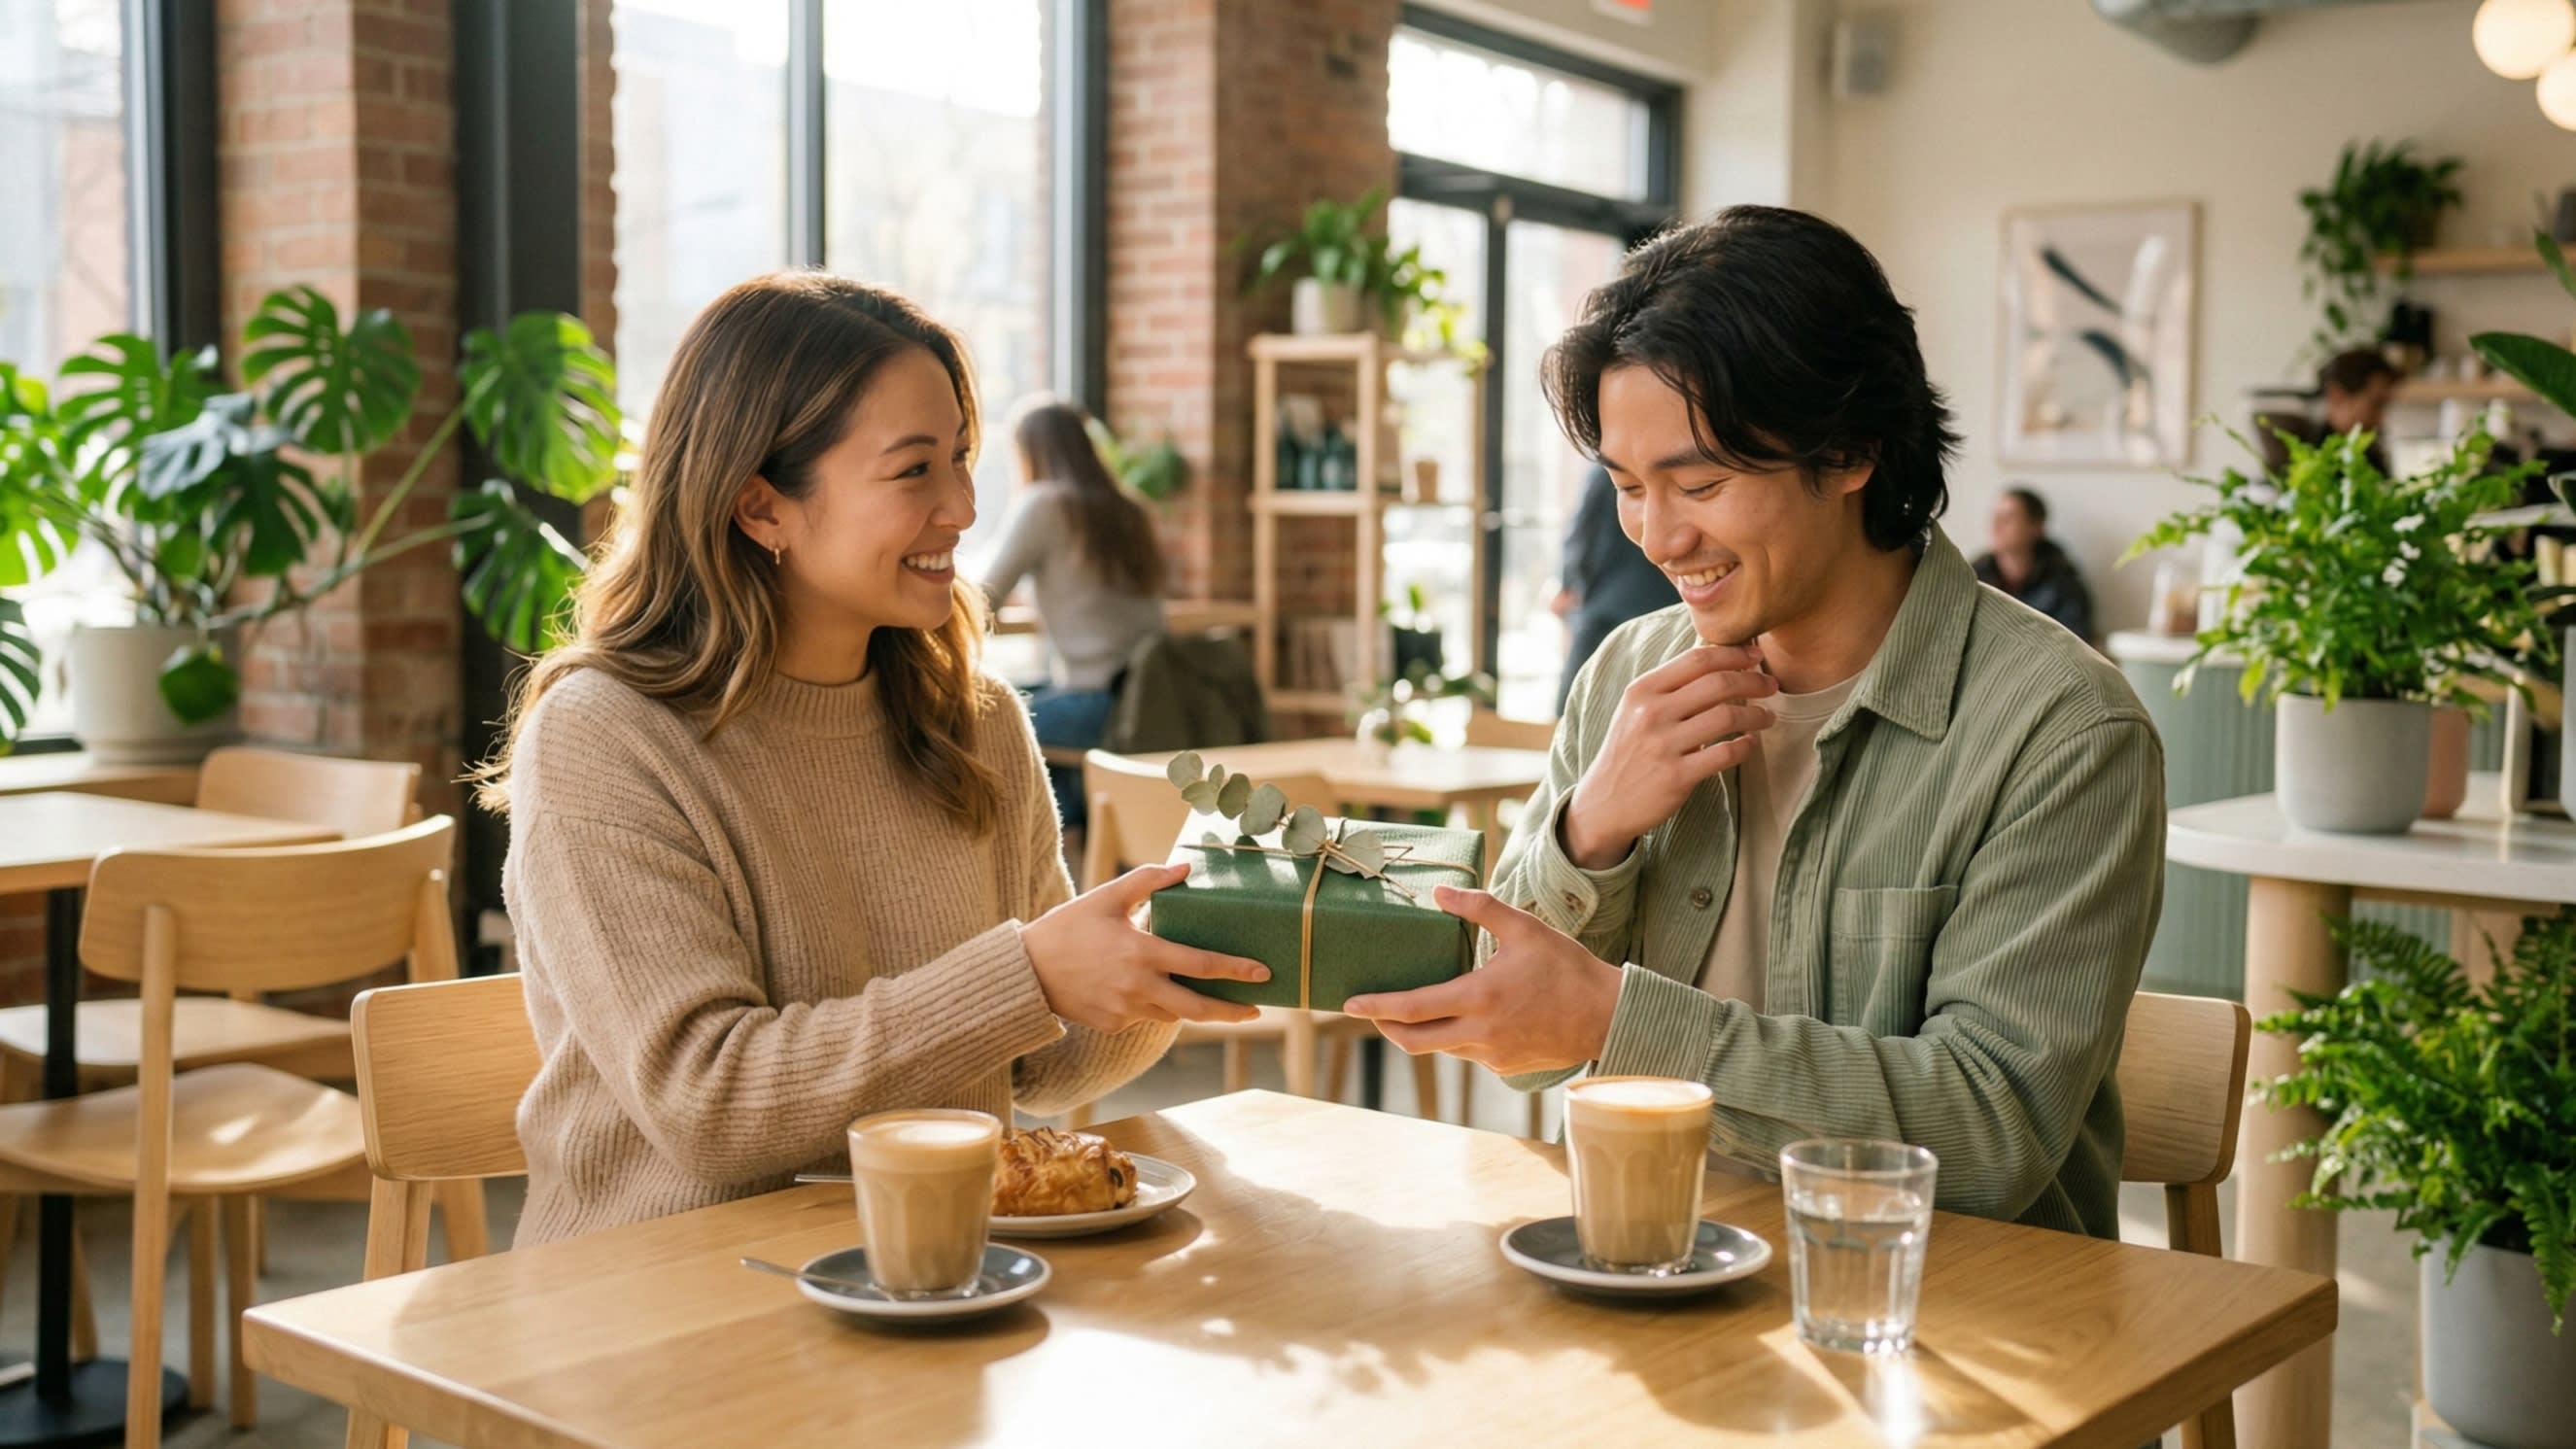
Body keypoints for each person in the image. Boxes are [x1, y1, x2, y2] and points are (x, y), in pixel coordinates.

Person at [1342, 207, 2166, 1240]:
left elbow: (1990, 1136)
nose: (1656, 534)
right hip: (1647, 1263)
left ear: (1852, 449)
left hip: (1943, 1323)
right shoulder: (1626, 675)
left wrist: (1617, 1016)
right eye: (1626, 489)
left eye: (1699, 482)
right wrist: (1587, 833)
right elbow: (1529, 1049)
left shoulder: (2061, 733)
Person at [483, 273, 1269, 1247]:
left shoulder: (972, 721)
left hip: (935, 1270)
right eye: (913, 471)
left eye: (962, 458)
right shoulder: (607, 737)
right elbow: (710, 1106)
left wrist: (1177, 942)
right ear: (760, 507)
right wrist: (1026, 974)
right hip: (665, 1299)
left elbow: (1043, 1063)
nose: (963, 507)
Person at [980, 397, 1168, 831]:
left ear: (1028, 452)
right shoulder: (1129, 509)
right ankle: (1074, 851)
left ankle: (1048, 857)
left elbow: (983, 596)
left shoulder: (1046, 504)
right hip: (1151, 700)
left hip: (1097, 704)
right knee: (1029, 708)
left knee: (974, 724)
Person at [1555, 463, 1680, 710]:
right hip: (1665, 600)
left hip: (1608, 606)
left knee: (1577, 706)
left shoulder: (1609, 469)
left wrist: (1568, 584)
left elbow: (1583, 531)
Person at [1972, 486, 2095, 643]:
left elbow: (2077, 643)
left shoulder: (2063, 582)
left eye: (2008, 517)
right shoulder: (1975, 575)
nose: (1996, 525)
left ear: (2036, 527)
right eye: (1995, 516)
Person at [2257, 348, 2395, 475]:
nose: (2381, 417)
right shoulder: (2309, 461)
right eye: (2376, 404)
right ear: (2336, 395)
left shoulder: (2369, 452)